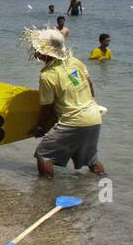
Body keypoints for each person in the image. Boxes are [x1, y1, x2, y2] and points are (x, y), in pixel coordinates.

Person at [25, 27, 106, 178]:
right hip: (94, 117)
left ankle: (45, 191)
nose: (35, 51)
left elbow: (47, 107)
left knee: (43, 154)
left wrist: (40, 127)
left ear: (43, 52)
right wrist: (88, 105)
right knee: (91, 160)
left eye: (36, 48)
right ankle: (104, 186)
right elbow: (90, 86)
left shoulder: (47, 75)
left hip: (73, 121)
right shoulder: (75, 62)